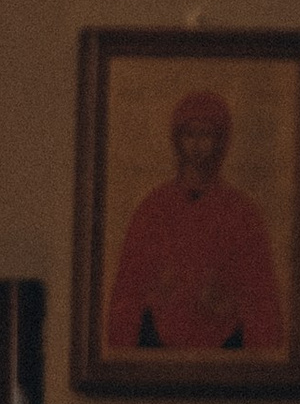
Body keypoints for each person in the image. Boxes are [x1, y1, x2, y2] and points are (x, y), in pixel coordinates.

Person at [105, 89, 286, 353]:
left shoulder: (242, 212)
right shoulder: (153, 208)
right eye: (190, 134)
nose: (197, 144)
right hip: (157, 337)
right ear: (177, 140)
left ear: (220, 140)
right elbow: (129, 289)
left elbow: (261, 296)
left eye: (206, 134)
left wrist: (230, 302)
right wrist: (156, 293)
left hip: (225, 340)